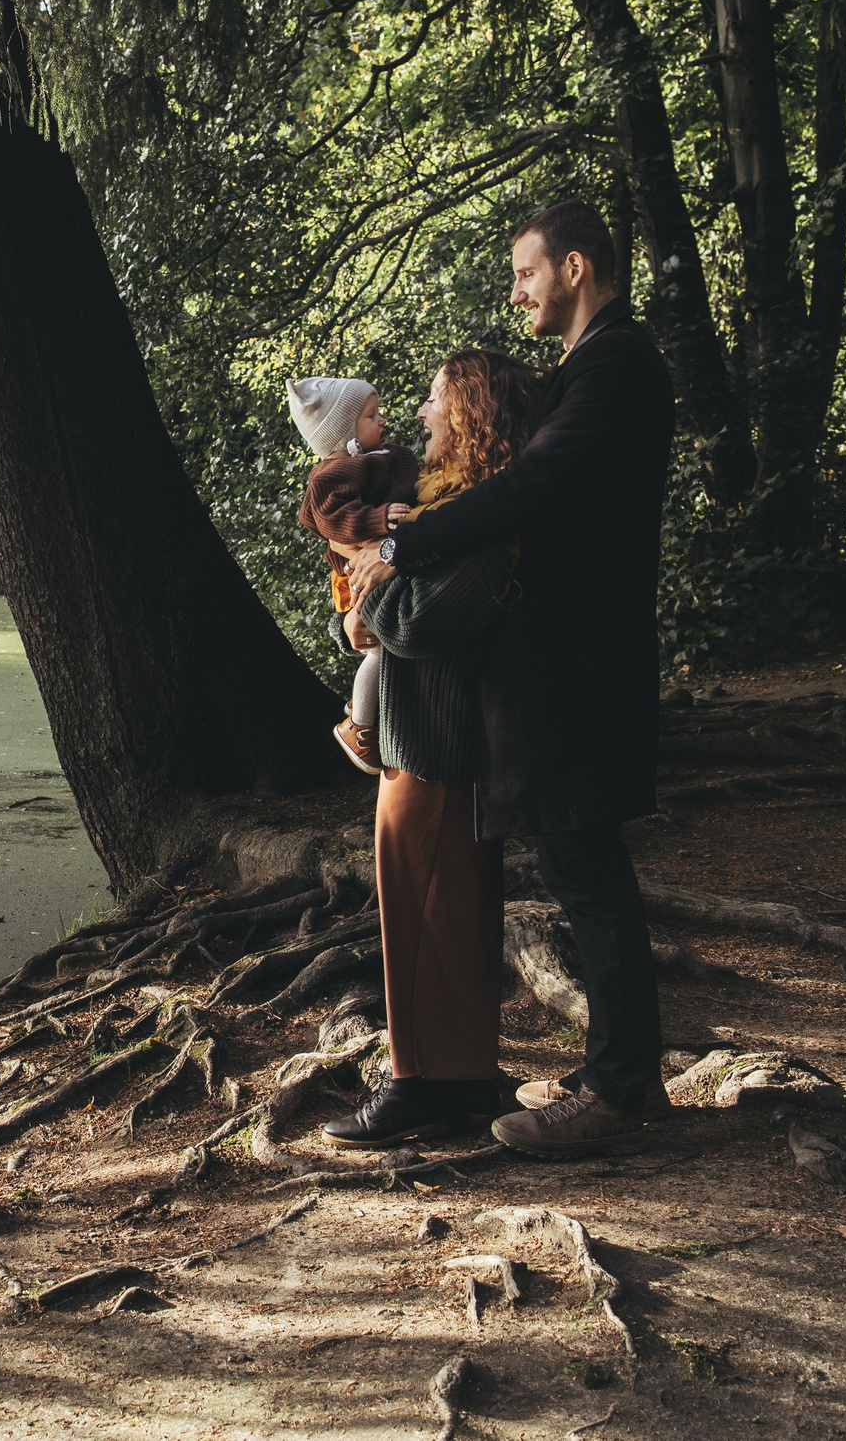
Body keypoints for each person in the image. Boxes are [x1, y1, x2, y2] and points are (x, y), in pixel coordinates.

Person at [346, 202, 677, 1158]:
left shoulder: (617, 364)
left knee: (588, 873)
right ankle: (620, 1069)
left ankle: (618, 1091)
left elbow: (534, 490)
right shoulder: (589, 368)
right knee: (581, 868)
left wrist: (408, 545)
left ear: (575, 267)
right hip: (565, 662)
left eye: (527, 273)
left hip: (580, 661)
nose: (517, 290)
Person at [318, 349, 540, 1148]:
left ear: (472, 410)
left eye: (436, 398)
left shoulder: (479, 517)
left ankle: (419, 1086)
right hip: (424, 741)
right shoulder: (438, 505)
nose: (419, 413)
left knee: (423, 917)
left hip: (441, 750)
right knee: (447, 916)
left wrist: (374, 587)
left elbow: (416, 623)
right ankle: (465, 1075)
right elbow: (380, 601)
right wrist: (370, 582)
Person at [287, 376, 420, 775]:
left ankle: (363, 709)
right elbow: (330, 520)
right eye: (371, 416)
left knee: (386, 649)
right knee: (378, 649)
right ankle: (358, 726)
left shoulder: (381, 456)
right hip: (354, 576)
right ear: (344, 431)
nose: (382, 421)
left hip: (383, 563)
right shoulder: (334, 472)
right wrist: (377, 519)